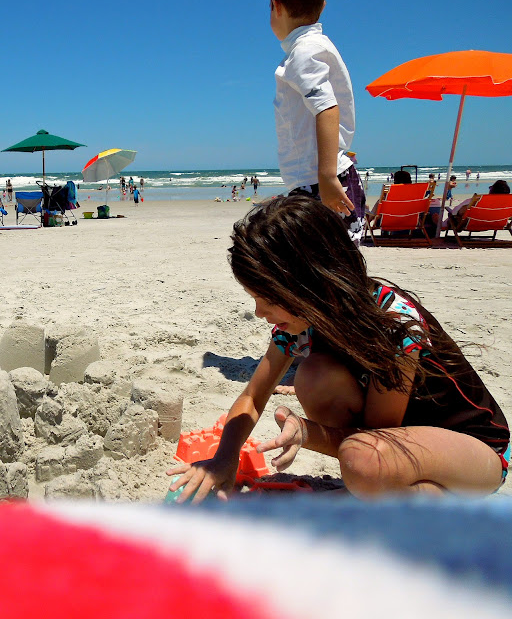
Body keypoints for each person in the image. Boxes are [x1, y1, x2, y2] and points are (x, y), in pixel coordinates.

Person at [167, 196, 509, 503]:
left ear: (313, 284)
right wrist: (224, 458)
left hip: (473, 451)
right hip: (396, 446)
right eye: (254, 298)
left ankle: (401, 500)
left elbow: (377, 437)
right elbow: (252, 398)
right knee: (315, 375)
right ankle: (376, 491)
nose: (259, 312)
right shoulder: (303, 323)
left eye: (268, 299)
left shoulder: (394, 326)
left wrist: (308, 433)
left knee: (365, 459)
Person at [270, 0, 365, 244]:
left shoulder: (304, 52)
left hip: (317, 180)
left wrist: (326, 176)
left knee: (318, 262)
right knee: (335, 260)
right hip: (321, 178)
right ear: (322, 6)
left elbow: (326, 108)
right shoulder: (316, 47)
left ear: (276, 7)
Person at [442, 179, 511, 230]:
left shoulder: (477, 200)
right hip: (497, 224)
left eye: (490, 187)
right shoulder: (508, 204)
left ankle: (441, 227)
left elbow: (454, 212)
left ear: (492, 190)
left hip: (471, 224)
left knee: (452, 216)